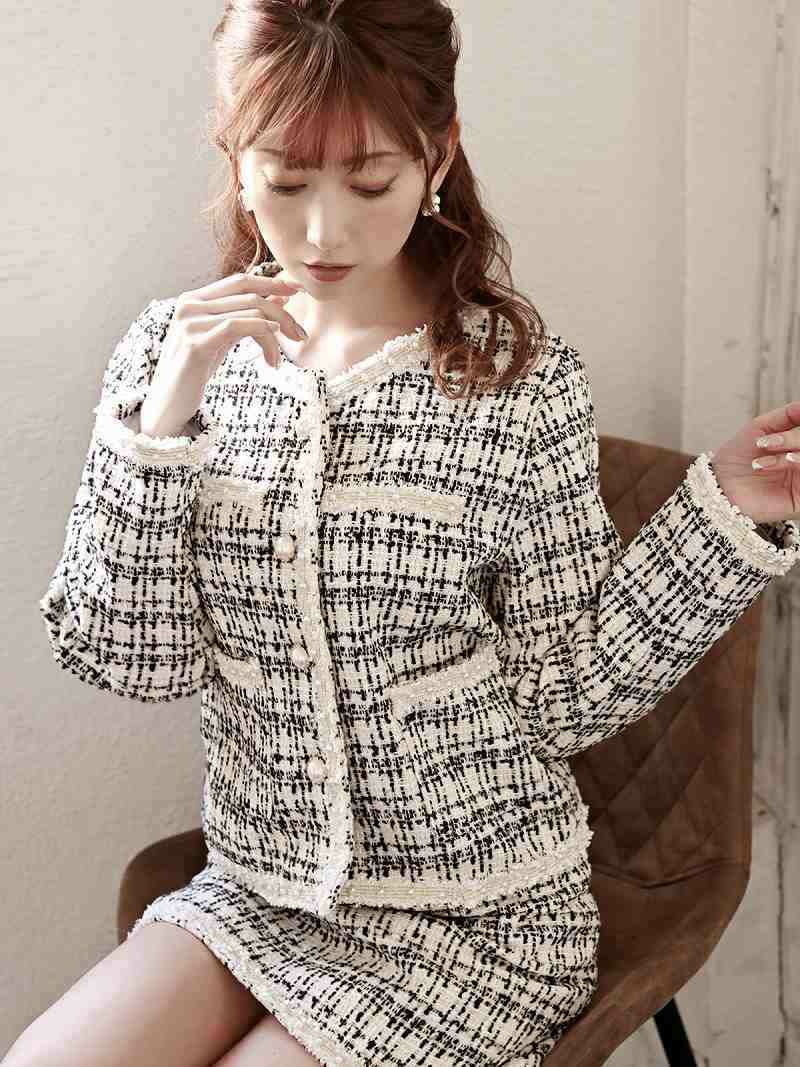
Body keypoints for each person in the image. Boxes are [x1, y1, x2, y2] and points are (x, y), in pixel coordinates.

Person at [15, 1, 800, 1066]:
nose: (323, 232)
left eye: (369, 181)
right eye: (286, 181)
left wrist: (722, 513)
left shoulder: (515, 383)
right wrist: (163, 427)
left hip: (477, 917)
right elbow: (129, 659)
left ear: (437, 154)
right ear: (233, 157)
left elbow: (565, 691)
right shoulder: (170, 352)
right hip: (254, 892)